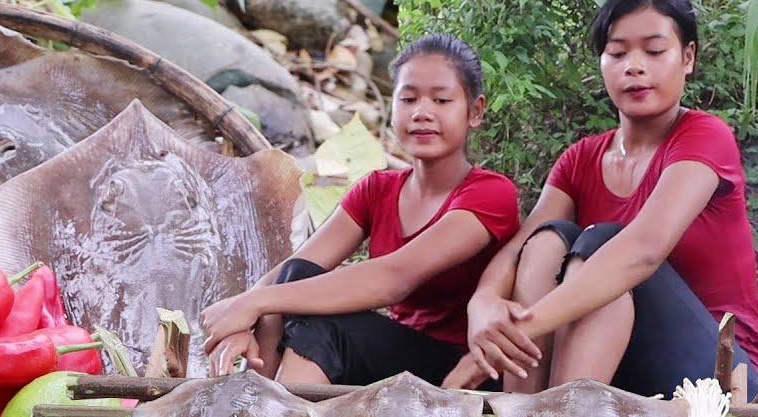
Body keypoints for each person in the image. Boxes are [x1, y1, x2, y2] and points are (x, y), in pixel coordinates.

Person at [444, 0, 758, 399]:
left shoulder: (705, 137)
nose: (634, 66)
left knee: (603, 245)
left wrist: (512, 334)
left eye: (654, 51)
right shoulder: (580, 159)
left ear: (688, 57)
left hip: (725, 379)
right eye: (617, 53)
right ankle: (523, 415)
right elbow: (519, 250)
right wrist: (483, 303)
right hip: (628, 376)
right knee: (548, 241)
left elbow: (643, 250)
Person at [200, 33, 521, 387]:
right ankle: (263, 392)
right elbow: (296, 268)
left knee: (325, 328)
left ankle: (275, 411)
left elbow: (394, 279)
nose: (422, 113)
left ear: (475, 111)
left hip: (466, 369)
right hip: (394, 354)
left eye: (441, 100)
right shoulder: (377, 189)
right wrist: (241, 316)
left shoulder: (491, 194)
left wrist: (256, 302)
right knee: (296, 275)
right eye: (408, 99)